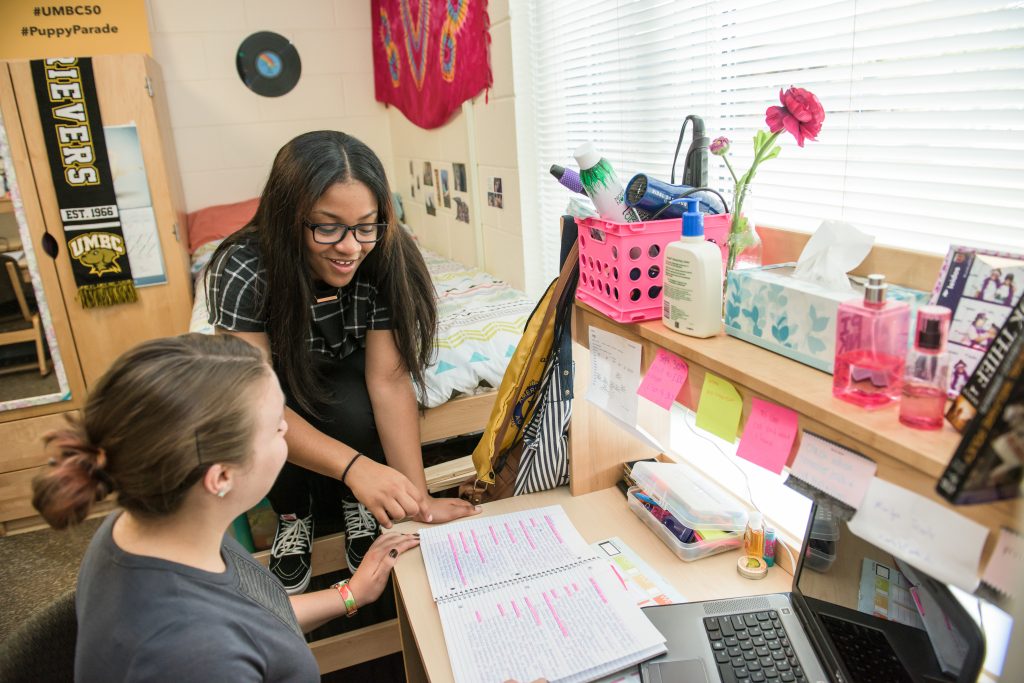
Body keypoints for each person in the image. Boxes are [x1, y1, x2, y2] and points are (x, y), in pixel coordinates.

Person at [31, 334, 420, 682]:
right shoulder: (192, 655)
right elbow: (223, 633)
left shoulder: (150, 524)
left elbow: (246, 616)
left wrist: (350, 594)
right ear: (220, 478)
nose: (288, 431)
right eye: (276, 428)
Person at [206, 130, 478, 593]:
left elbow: (389, 382)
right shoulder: (244, 268)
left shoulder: (385, 255)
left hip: (345, 366)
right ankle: (293, 512)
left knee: (352, 405)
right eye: (327, 226)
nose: (350, 247)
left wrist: (419, 500)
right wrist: (356, 469)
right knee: (264, 420)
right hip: (276, 375)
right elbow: (253, 403)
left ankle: (358, 503)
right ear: (288, 216)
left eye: (365, 226)